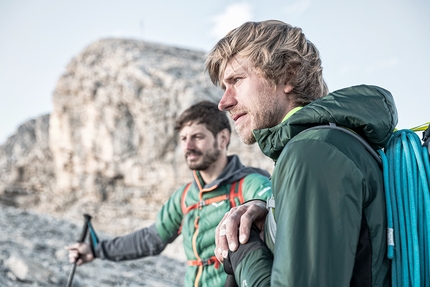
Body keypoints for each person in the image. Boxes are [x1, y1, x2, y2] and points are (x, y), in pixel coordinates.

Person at [205, 20, 396, 286]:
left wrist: (242, 251)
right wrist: (269, 214)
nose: (224, 102)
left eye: (236, 80)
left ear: (288, 74)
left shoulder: (312, 152)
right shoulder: (327, 144)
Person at [65, 100, 272, 287]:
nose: (188, 146)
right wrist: (95, 249)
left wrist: (261, 204)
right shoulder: (184, 197)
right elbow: (151, 239)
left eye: (198, 137)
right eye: (183, 138)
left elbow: (271, 202)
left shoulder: (249, 183)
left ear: (223, 138)